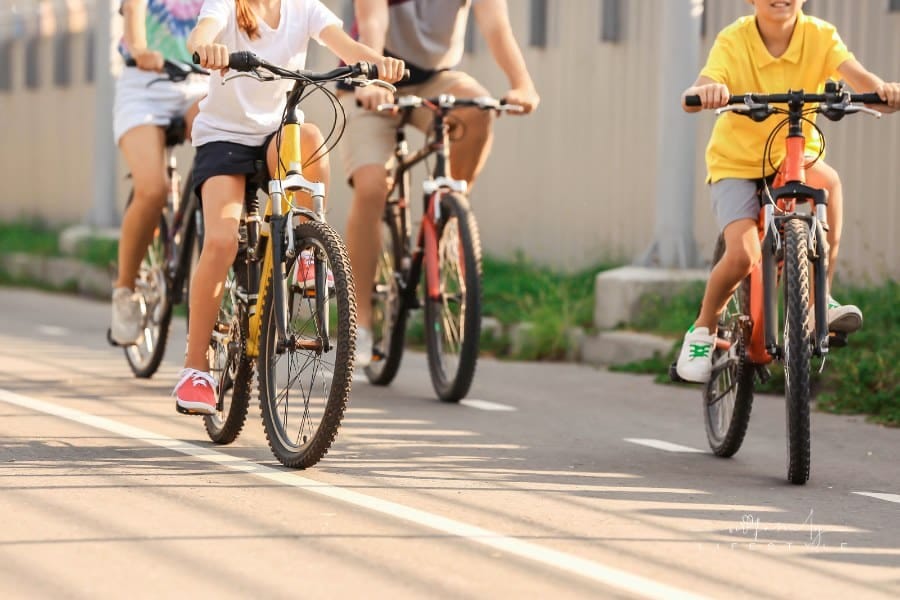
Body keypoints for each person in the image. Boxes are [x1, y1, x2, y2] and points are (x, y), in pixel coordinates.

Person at [176, 0, 405, 414]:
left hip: (274, 133)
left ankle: (304, 248)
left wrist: (378, 64)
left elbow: (347, 45)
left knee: (311, 135)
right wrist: (207, 48)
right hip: (224, 138)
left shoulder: (303, 8)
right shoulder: (227, 4)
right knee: (223, 241)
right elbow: (201, 33)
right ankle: (196, 369)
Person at [675, 0, 900, 383]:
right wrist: (709, 92)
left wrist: (884, 91)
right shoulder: (734, 39)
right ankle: (703, 330)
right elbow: (699, 88)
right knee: (743, 255)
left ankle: (819, 300)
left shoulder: (819, 35)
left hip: (793, 154)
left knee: (828, 182)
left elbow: (861, 79)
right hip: (737, 164)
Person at [339, 0, 540, 366]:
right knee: (372, 186)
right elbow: (373, 21)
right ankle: (361, 322)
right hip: (372, 74)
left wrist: (522, 84)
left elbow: (496, 27)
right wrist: (374, 79)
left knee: (478, 108)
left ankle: (446, 218)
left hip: (435, 77)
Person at [110, 0, 207, 345]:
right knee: (152, 190)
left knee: (226, 157)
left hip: (202, 85)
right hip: (146, 83)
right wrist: (139, 49)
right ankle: (125, 290)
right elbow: (134, 14)